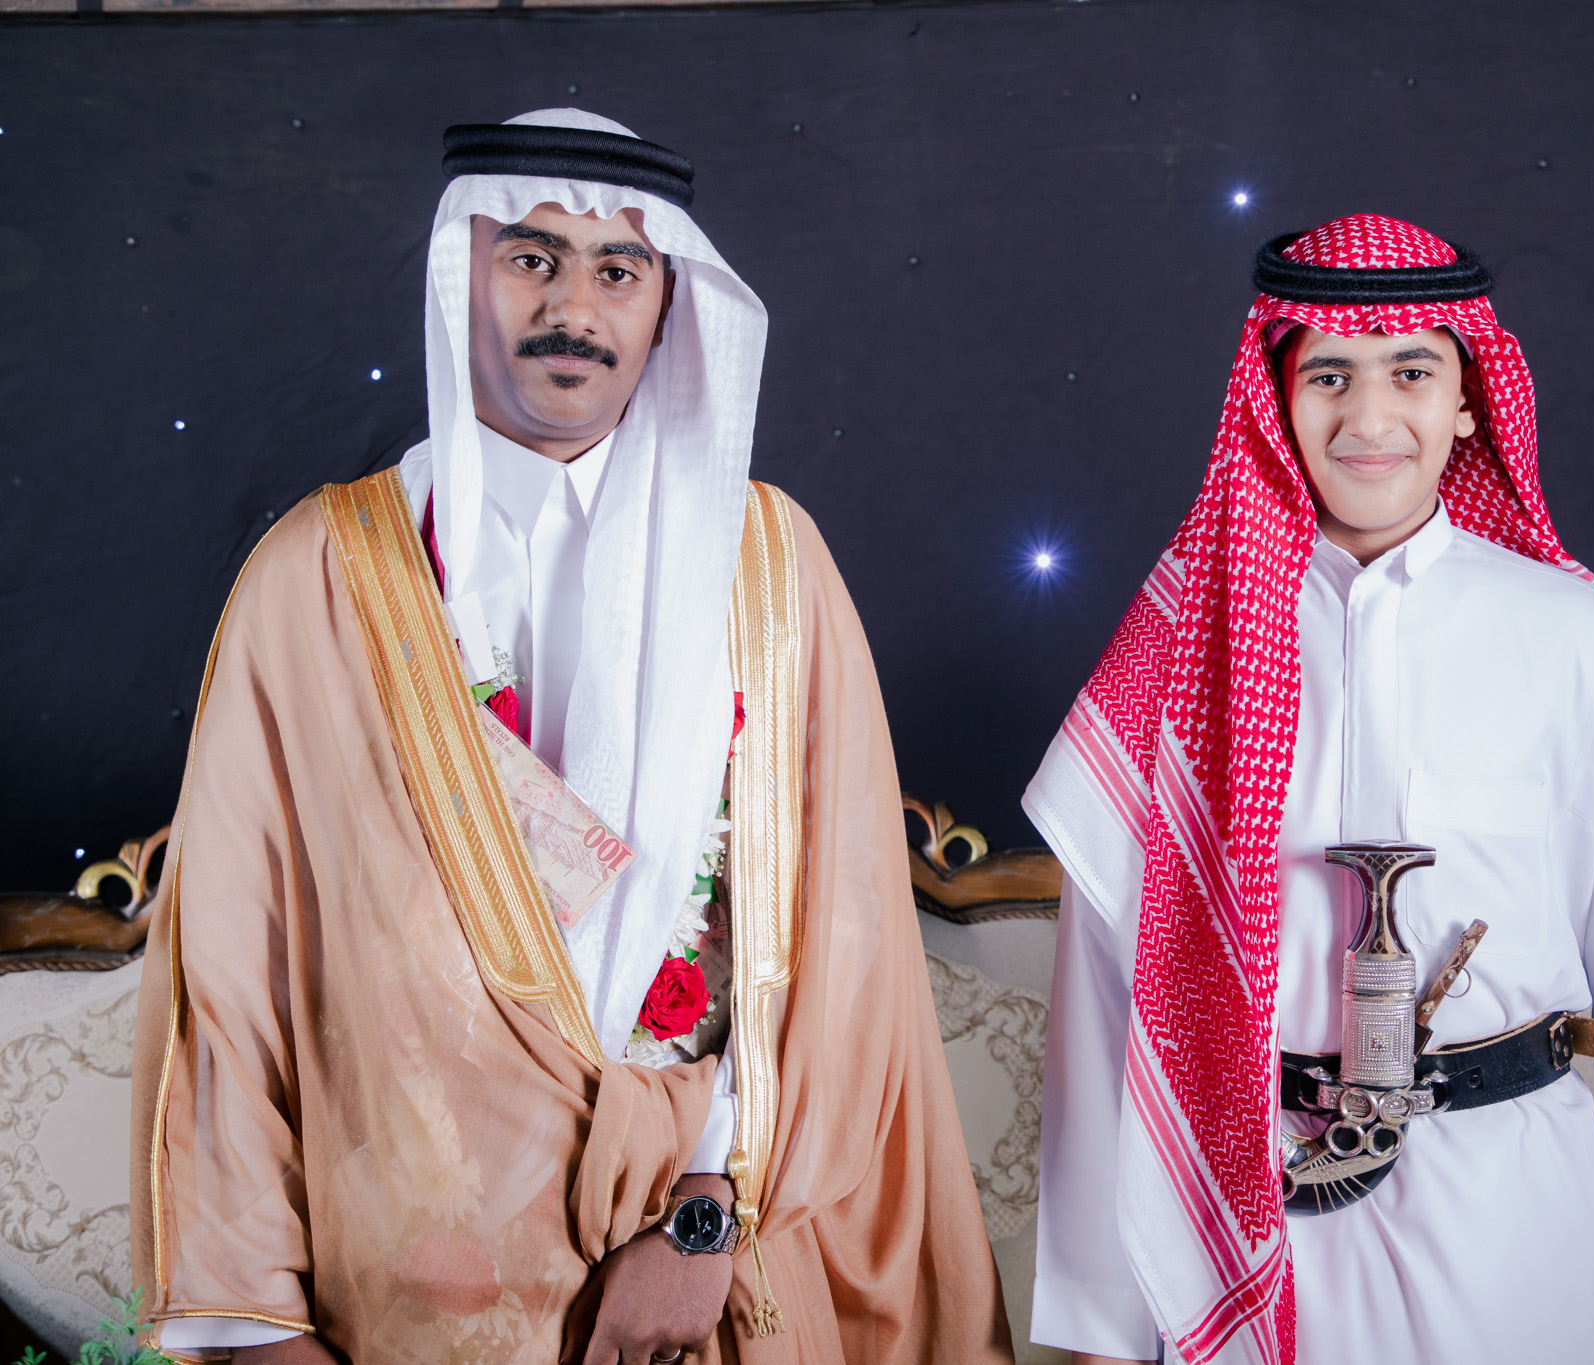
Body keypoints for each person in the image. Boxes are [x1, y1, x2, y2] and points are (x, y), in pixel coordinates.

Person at [130, 109, 1011, 1365]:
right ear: (461, 275)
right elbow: (231, 971)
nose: (573, 309)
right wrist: (251, 1326)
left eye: (618, 270)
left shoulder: (769, 568)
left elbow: (843, 942)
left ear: (668, 304)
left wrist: (705, 1220)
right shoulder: (319, 573)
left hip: (715, 1259)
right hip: (414, 1282)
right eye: (531, 259)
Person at [1023, 214, 1594, 1365]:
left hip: (1513, 1211)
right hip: (1250, 1204)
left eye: (1410, 372)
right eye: (1327, 376)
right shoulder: (1178, 641)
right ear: (1274, 395)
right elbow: (1108, 1000)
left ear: (1466, 398)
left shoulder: (1570, 633)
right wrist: (1102, 1327)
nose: (1367, 420)